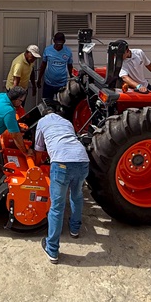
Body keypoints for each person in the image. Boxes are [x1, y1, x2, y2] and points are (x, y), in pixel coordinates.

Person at [34, 108, 89, 264]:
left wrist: (37, 166)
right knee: (76, 195)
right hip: (82, 160)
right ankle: (75, 229)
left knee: (57, 206)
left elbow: (39, 149)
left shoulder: (42, 122)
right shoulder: (67, 122)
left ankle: (52, 250)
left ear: (44, 114)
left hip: (62, 163)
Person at [38, 32, 73, 101]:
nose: (58, 46)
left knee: (62, 104)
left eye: (60, 44)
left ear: (64, 42)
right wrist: (39, 79)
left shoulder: (68, 51)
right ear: (54, 41)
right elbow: (43, 65)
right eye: (57, 44)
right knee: (47, 103)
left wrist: (71, 78)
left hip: (62, 84)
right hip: (48, 83)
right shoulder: (48, 50)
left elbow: (70, 66)